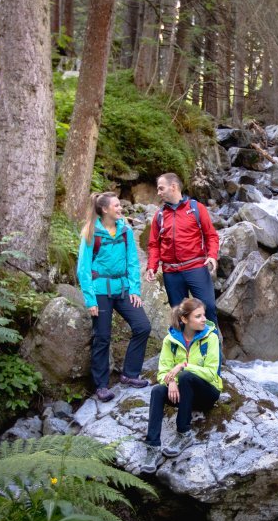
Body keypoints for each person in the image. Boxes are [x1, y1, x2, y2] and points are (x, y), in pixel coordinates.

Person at [76, 191, 151, 402]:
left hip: (123, 288)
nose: (120, 209)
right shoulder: (91, 232)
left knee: (142, 326)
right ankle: (101, 385)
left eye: (120, 205)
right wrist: (90, 300)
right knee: (102, 336)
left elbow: (133, 262)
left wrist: (135, 290)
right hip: (100, 291)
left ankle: (129, 374)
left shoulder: (125, 230)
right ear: (105, 209)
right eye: (116, 206)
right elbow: (83, 269)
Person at [139, 297, 222, 473]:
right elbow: (163, 372)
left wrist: (183, 366)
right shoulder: (170, 341)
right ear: (184, 319)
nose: (203, 320)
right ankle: (153, 447)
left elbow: (211, 373)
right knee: (157, 391)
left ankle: (184, 432)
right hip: (184, 394)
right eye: (198, 316)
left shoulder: (211, 338)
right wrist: (171, 383)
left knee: (186, 376)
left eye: (203, 315)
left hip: (207, 393)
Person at [145, 173, 221, 327]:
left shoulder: (196, 208)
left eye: (161, 188)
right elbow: (154, 244)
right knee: (179, 316)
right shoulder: (159, 215)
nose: (158, 192)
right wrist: (152, 267)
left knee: (209, 308)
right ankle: (186, 349)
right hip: (171, 273)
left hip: (196, 268)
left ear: (173, 187)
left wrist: (212, 255)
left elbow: (211, 236)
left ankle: (212, 349)